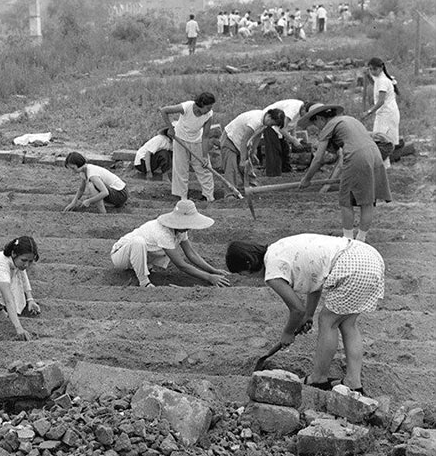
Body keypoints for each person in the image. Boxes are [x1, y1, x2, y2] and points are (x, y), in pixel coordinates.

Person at [225, 234, 385, 394]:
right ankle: (353, 382)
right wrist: (308, 315)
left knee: (328, 321)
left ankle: (318, 378)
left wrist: (288, 333)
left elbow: (296, 309)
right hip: (367, 257)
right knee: (348, 324)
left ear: (248, 264)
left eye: (241, 273)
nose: (244, 277)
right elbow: (315, 283)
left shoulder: (273, 271)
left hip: (351, 265)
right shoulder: (279, 248)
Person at [297, 104, 392, 242]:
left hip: (357, 157)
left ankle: (347, 239)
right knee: (368, 201)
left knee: (346, 201)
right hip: (375, 154)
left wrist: (306, 179)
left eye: (315, 123)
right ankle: (361, 239)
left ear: (319, 118)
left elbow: (318, 159)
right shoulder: (349, 120)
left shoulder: (329, 126)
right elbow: (345, 151)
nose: (317, 127)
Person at [111, 200, 231, 288]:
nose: (189, 228)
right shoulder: (163, 232)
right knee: (138, 242)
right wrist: (209, 278)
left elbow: (191, 254)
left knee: (141, 244)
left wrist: (213, 271)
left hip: (140, 259)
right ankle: (144, 282)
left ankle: (142, 270)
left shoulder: (180, 230)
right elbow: (181, 265)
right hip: (121, 256)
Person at [160, 92, 216, 202]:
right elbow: (164, 110)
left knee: (204, 168)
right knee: (181, 169)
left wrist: (205, 156)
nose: (210, 110)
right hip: (180, 140)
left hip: (197, 141)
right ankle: (182, 198)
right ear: (201, 104)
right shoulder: (187, 107)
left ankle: (209, 197)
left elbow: (205, 137)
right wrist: (171, 129)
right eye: (208, 107)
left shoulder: (209, 115)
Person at [220, 108, 284, 191]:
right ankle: (230, 194)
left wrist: (253, 151)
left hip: (241, 142)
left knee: (247, 166)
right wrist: (242, 160)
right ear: (269, 117)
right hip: (230, 138)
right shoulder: (255, 120)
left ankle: (252, 187)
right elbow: (244, 140)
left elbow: (258, 135)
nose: (271, 126)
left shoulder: (264, 122)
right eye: (272, 124)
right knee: (230, 168)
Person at [360, 58, 400, 169]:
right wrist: (367, 76)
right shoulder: (379, 78)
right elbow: (375, 85)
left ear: (381, 67)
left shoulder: (383, 80)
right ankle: (385, 165)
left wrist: (368, 112)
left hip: (387, 114)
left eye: (374, 69)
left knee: (381, 140)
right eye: (370, 69)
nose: (372, 71)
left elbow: (381, 101)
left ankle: (384, 166)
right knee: (381, 139)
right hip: (385, 113)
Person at [63, 152, 128, 213]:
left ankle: (103, 213)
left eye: (73, 168)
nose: (72, 171)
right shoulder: (84, 171)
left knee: (91, 185)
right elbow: (81, 189)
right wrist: (73, 202)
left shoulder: (92, 174)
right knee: (91, 185)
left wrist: (89, 201)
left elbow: (105, 192)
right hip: (117, 191)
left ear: (79, 164)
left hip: (121, 194)